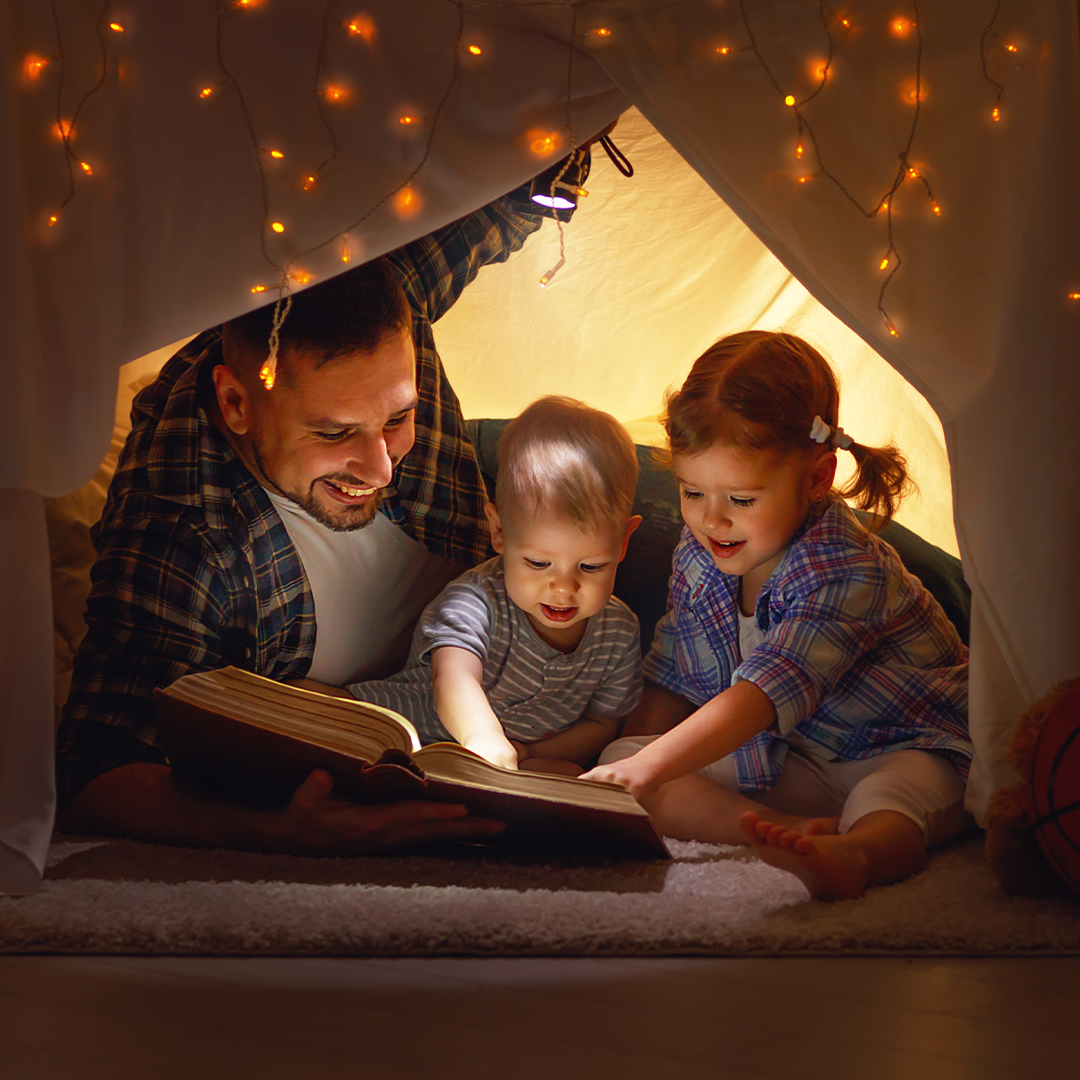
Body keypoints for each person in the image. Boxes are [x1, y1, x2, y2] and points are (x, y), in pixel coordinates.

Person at [54, 180, 573, 855]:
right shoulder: (178, 520)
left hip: (528, 594)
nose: (382, 468)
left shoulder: (387, 287)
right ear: (238, 405)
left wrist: (572, 128)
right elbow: (95, 764)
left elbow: (510, 189)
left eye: (399, 418)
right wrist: (270, 831)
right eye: (334, 435)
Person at [581, 331, 972, 901]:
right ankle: (794, 835)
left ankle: (856, 853)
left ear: (816, 477)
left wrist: (646, 770)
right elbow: (672, 675)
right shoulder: (697, 557)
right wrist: (627, 770)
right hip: (792, 761)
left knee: (898, 793)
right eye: (692, 493)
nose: (712, 521)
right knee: (630, 761)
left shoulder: (845, 567)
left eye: (741, 500)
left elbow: (765, 692)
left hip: (901, 745)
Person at [349, 396, 643, 777]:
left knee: (569, 776)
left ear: (623, 544)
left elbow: (604, 722)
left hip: (513, 760)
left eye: (591, 566)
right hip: (404, 731)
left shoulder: (618, 633)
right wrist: (482, 737)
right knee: (329, 722)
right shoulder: (474, 602)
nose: (564, 587)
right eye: (538, 563)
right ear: (500, 531)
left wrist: (527, 751)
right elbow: (454, 675)